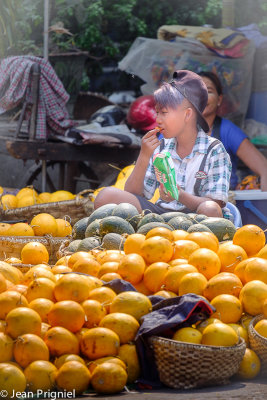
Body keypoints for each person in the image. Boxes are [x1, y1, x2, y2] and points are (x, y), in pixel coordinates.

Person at [94, 70, 232, 218]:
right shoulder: (161, 146)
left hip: (197, 222)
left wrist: (178, 195)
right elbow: (132, 195)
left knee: (210, 208)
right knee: (105, 196)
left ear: (187, 114)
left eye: (164, 113)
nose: (158, 120)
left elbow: (215, 206)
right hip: (162, 218)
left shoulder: (214, 150)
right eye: (157, 112)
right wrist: (144, 155)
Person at [198, 71, 267, 191]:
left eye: (208, 91)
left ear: (219, 100)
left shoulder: (227, 130)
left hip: (223, 204)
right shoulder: (176, 129)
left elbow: (264, 167)